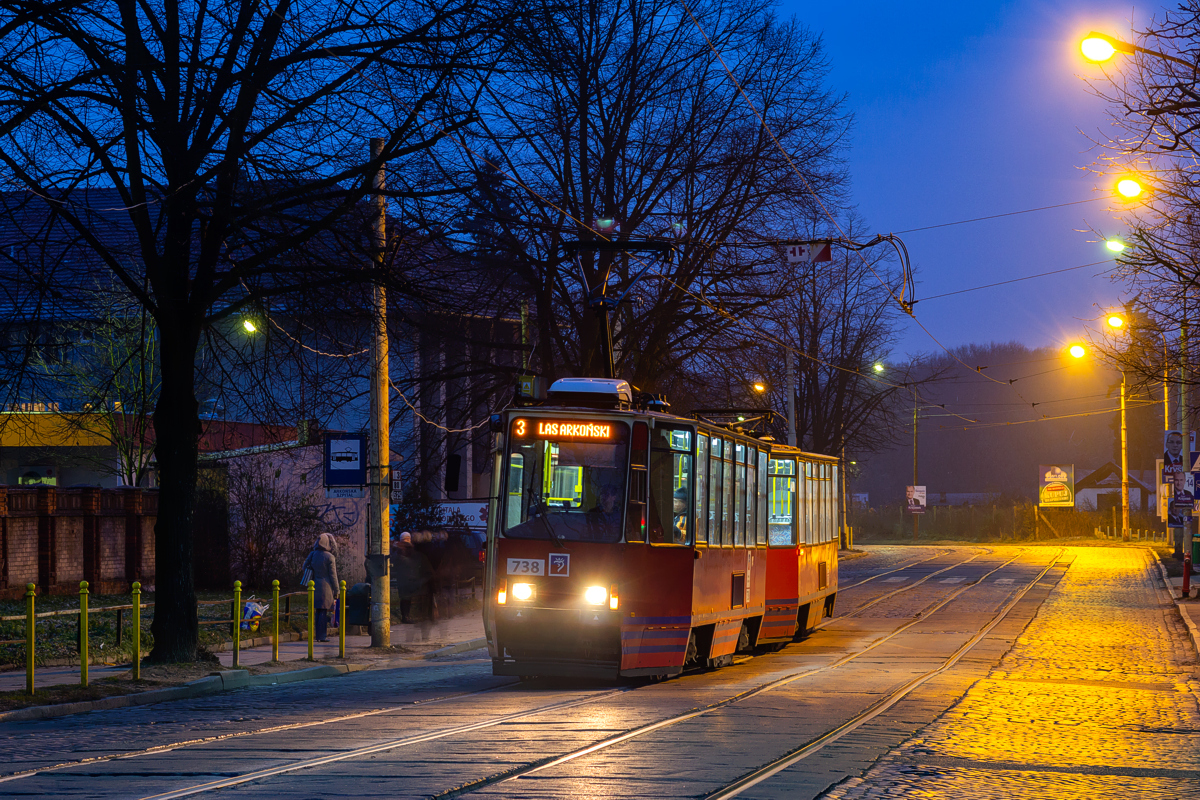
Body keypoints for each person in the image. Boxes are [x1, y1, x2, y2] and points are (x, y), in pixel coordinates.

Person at [302, 533, 339, 642]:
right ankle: (321, 636)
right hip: (326, 587)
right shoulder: (330, 557)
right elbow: (333, 575)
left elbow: (304, 566)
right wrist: (337, 590)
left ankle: (317, 635)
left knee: (318, 611)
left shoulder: (313, 554)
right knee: (323, 612)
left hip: (314, 585)